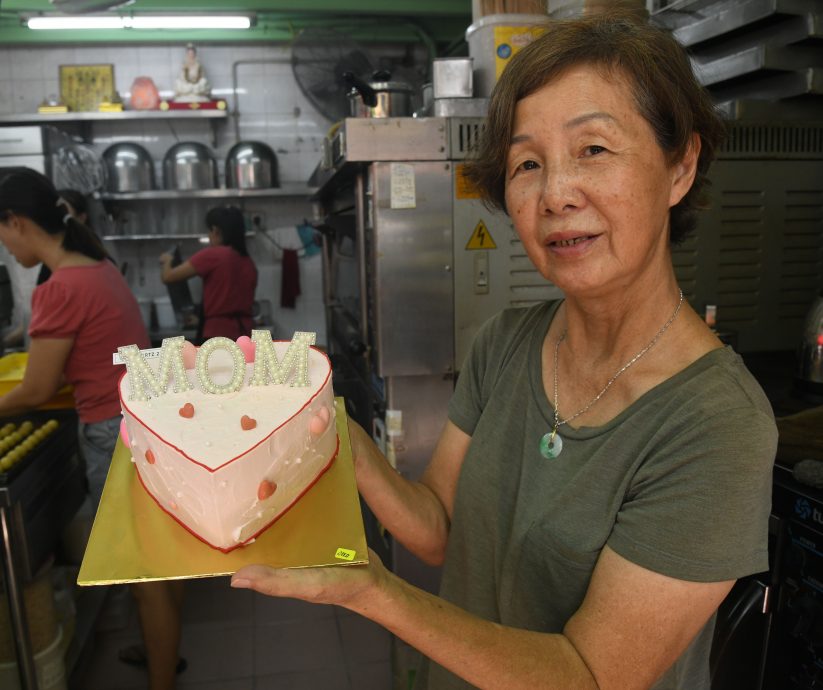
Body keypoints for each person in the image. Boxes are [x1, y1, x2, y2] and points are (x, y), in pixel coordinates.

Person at [230, 11, 777, 690]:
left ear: (679, 166)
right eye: (526, 164)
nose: (553, 194)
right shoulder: (505, 344)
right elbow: (435, 528)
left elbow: (586, 676)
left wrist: (371, 591)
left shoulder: (715, 426)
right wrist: (329, 428)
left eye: (593, 150)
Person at [0, 168, 185, 690]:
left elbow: (36, 388)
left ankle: (161, 680)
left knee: (143, 571)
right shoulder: (99, 266)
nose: (6, 249)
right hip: (144, 421)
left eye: (2, 234)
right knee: (161, 561)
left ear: (15, 222)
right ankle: (162, 654)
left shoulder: (60, 288)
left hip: (113, 430)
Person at [159, 206, 257, 342]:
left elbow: (168, 276)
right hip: (246, 334)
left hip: (218, 335)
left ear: (216, 231)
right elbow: (228, 300)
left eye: (209, 231)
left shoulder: (214, 254)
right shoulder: (247, 261)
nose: (209, 237)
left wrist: (167, 261)